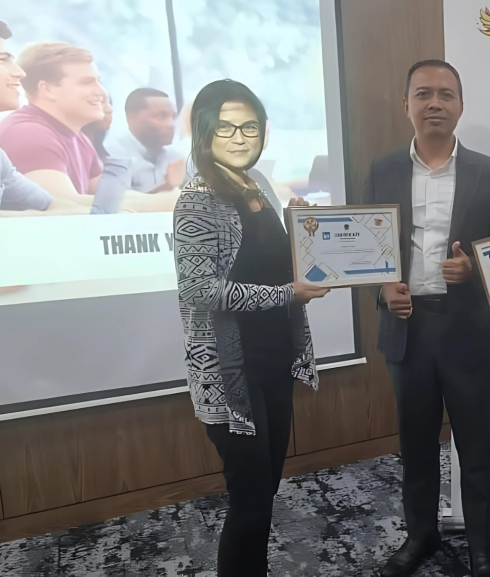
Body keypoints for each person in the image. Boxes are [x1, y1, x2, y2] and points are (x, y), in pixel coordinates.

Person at [362, 60, 490, 577]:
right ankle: (421, 536)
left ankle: (482, 547)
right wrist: (383, 289)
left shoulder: (489, 173)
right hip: (407, 330)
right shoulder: (383, 169)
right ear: (405, 104)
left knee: (474, 446)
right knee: (415, 446)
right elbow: (365, 248)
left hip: (466, 328)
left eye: (446, 94)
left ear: (460, 106)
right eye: (424, 94)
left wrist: (474, 267)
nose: (435, 103)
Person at [172, 79, 329, 576]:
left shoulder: (254, 184)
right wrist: (286, 295)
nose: (240, 138)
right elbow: (200, 289)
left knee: (265, 488)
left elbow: (270, 264)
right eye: (225, 127)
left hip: (273, 360)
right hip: (229, 374)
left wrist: (302, 228)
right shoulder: (197, 199)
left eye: (250, 127)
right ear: (203, 132)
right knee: (250, 495)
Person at [0, 14, 84, 218]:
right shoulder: (27, 131)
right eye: (2, 60)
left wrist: (116, 216)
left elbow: (47, 205)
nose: (20, 73)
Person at [0, 41, 105, 201]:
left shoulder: (79, 138)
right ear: (48, 89)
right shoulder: (28, 134)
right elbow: (63, 208)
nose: (102, 92)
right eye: (87, 82)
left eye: (99, 81)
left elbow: (112, 196)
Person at [106, 87, 184, 193]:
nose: (171, 124)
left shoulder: (175, 158)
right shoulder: (112, 157)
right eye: (162, 116)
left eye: (174, 117)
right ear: (132, 117)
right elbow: (117, 202)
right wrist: (167, 187)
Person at [81, 94, 132, 214]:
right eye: (101, 103)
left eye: (110, 103)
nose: (110, 110)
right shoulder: (71, 152)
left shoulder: (111, 157)